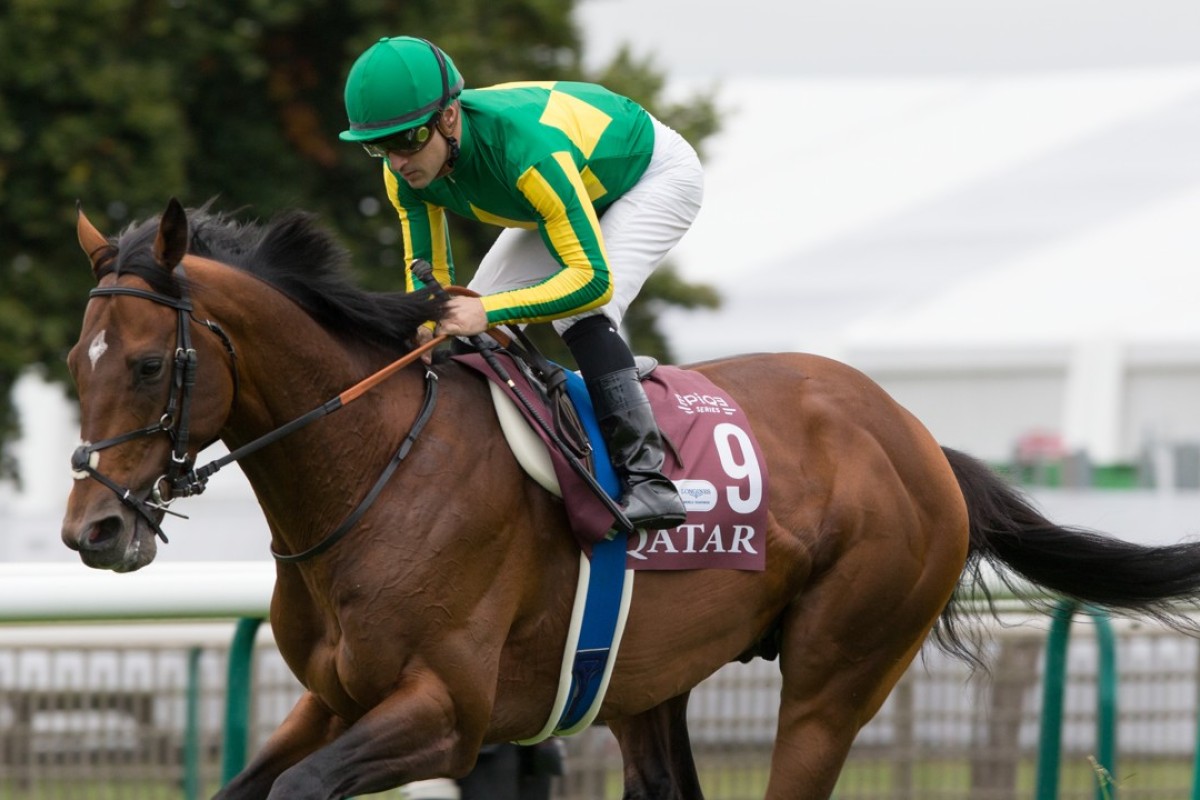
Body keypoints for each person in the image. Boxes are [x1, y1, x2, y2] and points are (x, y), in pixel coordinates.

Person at [339, 36, 704, 531]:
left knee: (575, 310)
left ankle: (648, 481)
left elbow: (592, 280)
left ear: (448, 117)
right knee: (464, 321)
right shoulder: (401, 174)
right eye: (378, 147)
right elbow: (429, 275)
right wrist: (424, 323)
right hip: (573, 183)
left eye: (406, 141)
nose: (398, 161)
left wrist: (489, 311)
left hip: (649, 175)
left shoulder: (527, 151)